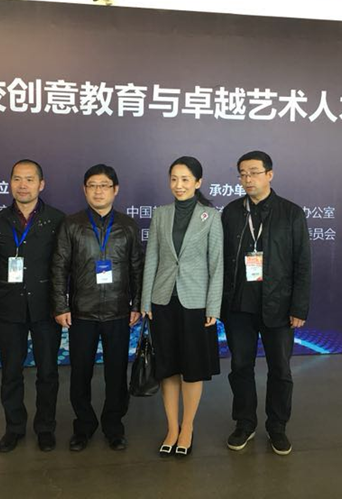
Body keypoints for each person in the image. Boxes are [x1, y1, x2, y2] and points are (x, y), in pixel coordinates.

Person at [221, 150, 311, 456]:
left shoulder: (291, 213)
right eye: (243, 174)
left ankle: (277, 426)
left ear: (269, 174)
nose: (248, 179)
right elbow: (220, 260)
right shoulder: (232, 212)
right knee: (240, 367)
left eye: (254, 172)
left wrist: (299, 307)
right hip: (239, 307)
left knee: (280, 370)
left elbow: (303, 263)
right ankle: (244, 423)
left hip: (279, 306)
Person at [51, 164, 144, 452]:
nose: (98, 191)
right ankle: (84, 426)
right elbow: (59, 267)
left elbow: (137, 268)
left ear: (115, 190)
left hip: (118, 311)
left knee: (117, 373)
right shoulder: (71, 224)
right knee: (80, 373)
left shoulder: (128, 225)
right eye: (92, 185)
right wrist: (60, 305)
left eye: (104, 185)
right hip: (82, 312)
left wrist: (138, 303)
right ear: (84, 190)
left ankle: (114, 426)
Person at [0, 159, 65, 453]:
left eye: (29, 179)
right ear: (10, 183)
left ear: (41, 184)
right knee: (11, 372)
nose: (23, 185)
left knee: (47, 372)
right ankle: (14, 428)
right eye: (17, 179)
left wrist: (64, 305)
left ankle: (45, 428)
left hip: (45, 308)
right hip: (8, 308)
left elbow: (64, 267)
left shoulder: (57, 220)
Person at [141, 156, 223, 458]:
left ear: (198, 182)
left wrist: (213, 305)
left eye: (185, 179)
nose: (179, 185)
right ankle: (171, 428)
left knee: (192, 368)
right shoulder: (161, 214)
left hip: (196, 303)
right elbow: (152, 257)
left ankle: (187, 427)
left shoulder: (210, 217)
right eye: (174, 179)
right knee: (168, 367)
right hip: (163, 300)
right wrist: (145, 299)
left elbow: (216, 263)